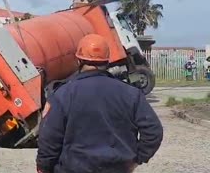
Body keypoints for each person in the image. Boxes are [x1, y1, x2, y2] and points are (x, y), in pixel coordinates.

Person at [36, 34, 163, 173]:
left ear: (79, 60)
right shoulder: (131, 93)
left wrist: (43, 168)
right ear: (107, 61)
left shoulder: (63, 94)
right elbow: (153, 131)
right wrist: (137, 159)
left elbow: (49, 138)